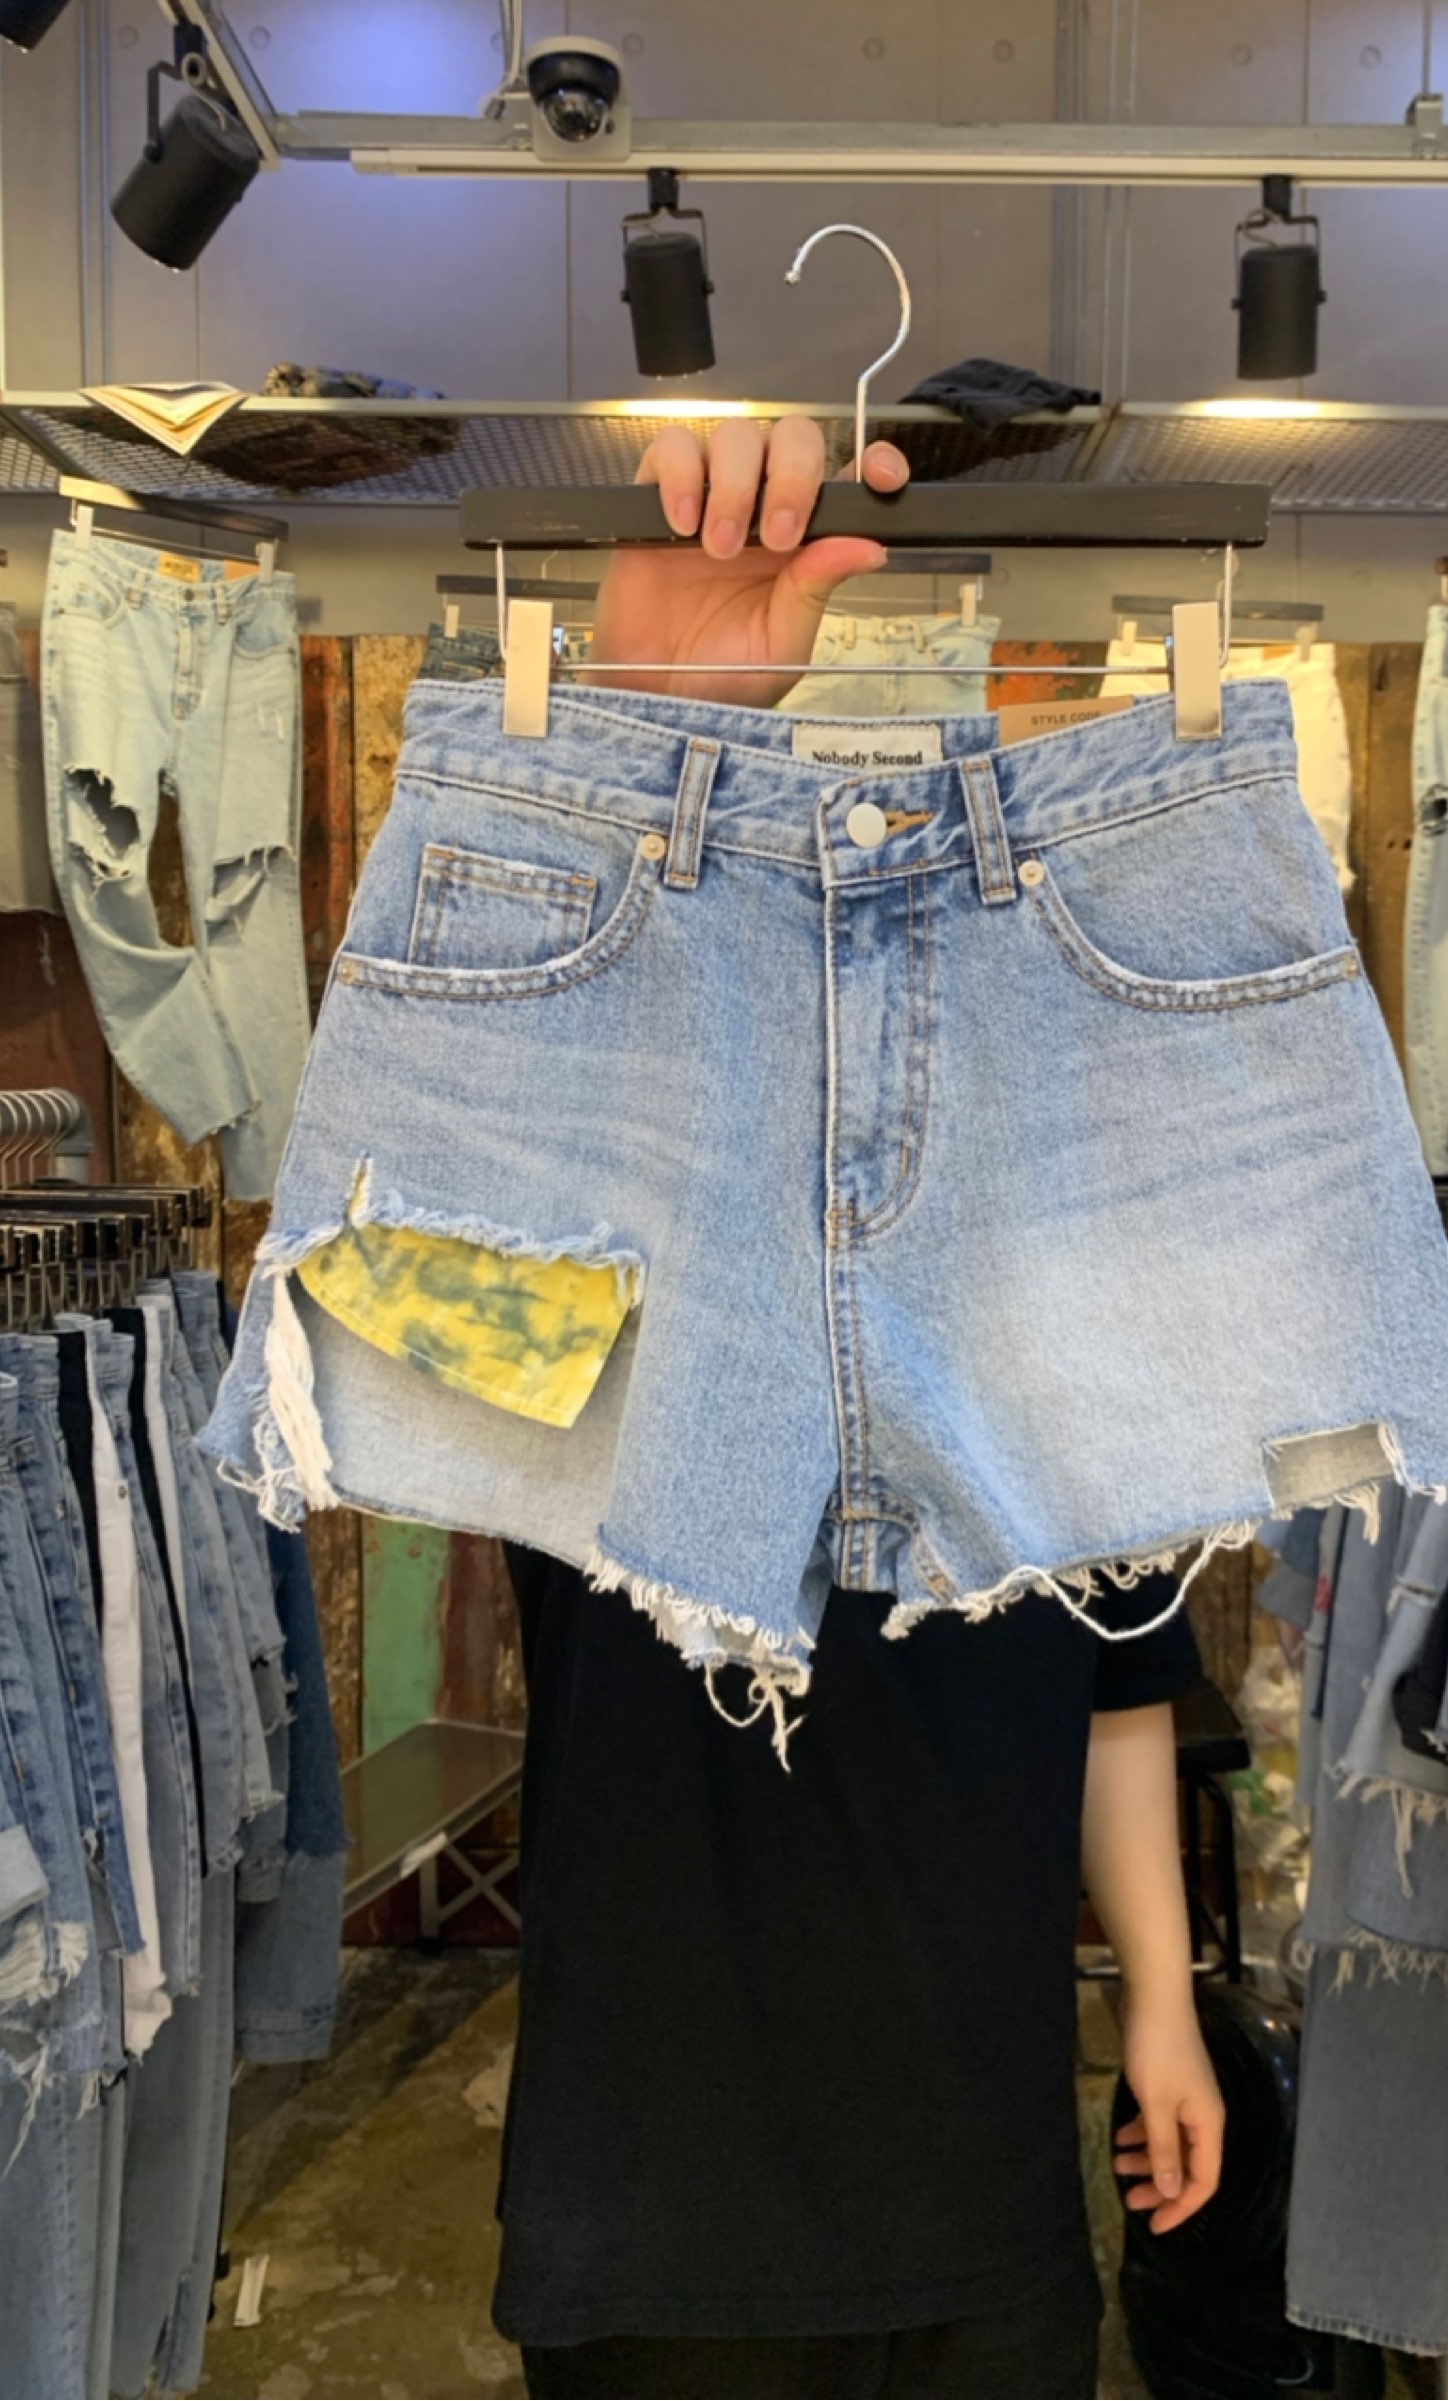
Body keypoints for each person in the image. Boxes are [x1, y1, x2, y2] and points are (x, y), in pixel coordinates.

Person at [492, 419, 1225, 2401]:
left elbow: (1121, 1678)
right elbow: (472, 1108)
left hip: (972, 2173)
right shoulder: (609, 1237)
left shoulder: (1054, 1284)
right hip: (658, 2188)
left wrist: (1162, 2001)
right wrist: (645, 732)